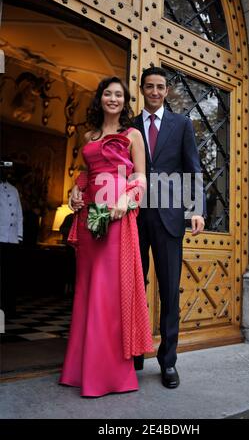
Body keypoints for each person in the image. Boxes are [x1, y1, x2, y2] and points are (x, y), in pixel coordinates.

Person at [59, 77, 154, 398]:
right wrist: (75, 191)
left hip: (117, 214)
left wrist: (127, 200)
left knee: (109, 290)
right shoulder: (88, 135)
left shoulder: (133, 135)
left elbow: (141, 177)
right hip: (89, 216)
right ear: (100, 99)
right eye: (107, 94)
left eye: (118, 95)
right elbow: (84, 173)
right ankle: (78, 369)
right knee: (87, 288)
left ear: (125, 102)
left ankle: (109, 375)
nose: (112, 99)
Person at [133, 67, 206, 389]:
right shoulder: (130, 126)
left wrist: (196, 209)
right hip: (133, 218)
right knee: (133, 288)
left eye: (160, 87)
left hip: (170, 218)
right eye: (149, 86)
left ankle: (168, 362)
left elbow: (193, 167)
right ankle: (134, 352)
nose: (154, 92)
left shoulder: (181, 124)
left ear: (167, 90)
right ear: (142, 89)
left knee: (168, 292)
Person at [0, 167, 23, 318]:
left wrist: (19, 235)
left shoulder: (13, 190)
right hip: (0, 237)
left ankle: (9, 308)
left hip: (12, 238)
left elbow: (19, 213)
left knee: (10, 276)